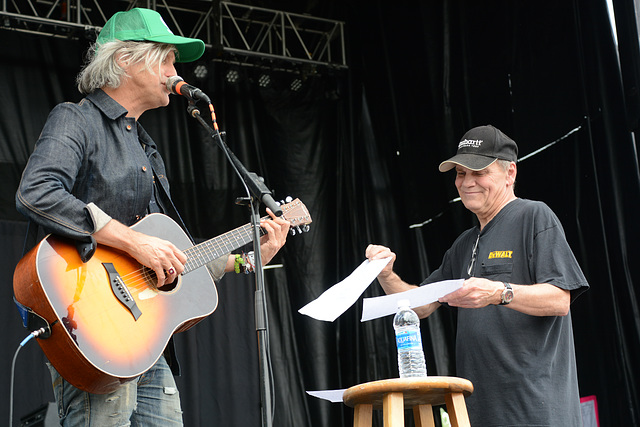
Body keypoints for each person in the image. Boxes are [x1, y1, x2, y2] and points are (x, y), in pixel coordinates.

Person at [15, 7, 290, 426]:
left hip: (144, 339)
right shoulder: (76, 120)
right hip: (90, 325)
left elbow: (173, 256)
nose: (174, 70)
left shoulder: (146, 149)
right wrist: (131, 241)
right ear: (125, 60)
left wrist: (250, 258)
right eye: (166, 58)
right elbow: (37, 192)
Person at [366, 125, 589, 426]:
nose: (467, 182)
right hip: (478, 410)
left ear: (510, 173)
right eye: (460, 173)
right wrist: (386, 274)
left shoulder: (534, 217)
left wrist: (499, 292)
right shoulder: (464, 244)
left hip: (535, 410)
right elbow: (419, 306)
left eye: (478, 172)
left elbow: (560, 299)